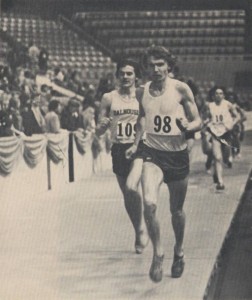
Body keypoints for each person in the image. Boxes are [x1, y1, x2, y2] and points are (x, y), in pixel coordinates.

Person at [126, 46, 201, 282]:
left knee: (176, 211)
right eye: (151, 65)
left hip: (177, 157)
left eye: (160, 64)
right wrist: (138, 139)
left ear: (169, 65)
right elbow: (141, 116)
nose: (156, 69)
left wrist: (190, 127)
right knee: (149, 203)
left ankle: (178, 251)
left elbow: (197, 119)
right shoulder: (141, 92)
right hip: (153, 154)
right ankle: (158, 252)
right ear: (145, 68)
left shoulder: (180, 88)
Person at [95, 58, 148, 254]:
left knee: (131, 186)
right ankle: (139, 229)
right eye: (122, 73)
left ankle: (143, 225)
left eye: (129, 73)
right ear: (117, 75)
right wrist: (101, 127)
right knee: (128, 194)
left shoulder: (142, 95)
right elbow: (99, 130)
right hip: (118, 149)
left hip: (139, 146)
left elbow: (146, 120)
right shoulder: (109, 98)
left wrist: (137, 142)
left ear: (136, 76)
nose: (126, 77)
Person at [206, 86, 237, 190]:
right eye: (216, 94)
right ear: (213, 96)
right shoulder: (210, 106)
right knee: (217, 157)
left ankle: (216, 172)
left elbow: (237, 116)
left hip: (226, 133)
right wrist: (207, 124)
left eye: (220, 93)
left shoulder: (228, 104)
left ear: (223, 95)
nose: (218, 95)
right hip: (215, 133)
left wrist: (232, 123)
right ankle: (220, 182)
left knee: (225, 157)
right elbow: (205, 118)